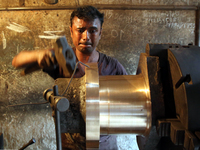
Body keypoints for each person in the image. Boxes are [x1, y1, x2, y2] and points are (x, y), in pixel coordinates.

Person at [12, 5, 127, 150]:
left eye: (92, 30)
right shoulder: (61, 59)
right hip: (70, 144)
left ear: (100, 33)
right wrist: (41, 55)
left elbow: (135, 97)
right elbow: (17, 61)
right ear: (71, 31)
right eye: (80, 30)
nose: (86, 37)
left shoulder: (112, 67)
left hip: (104, 144)